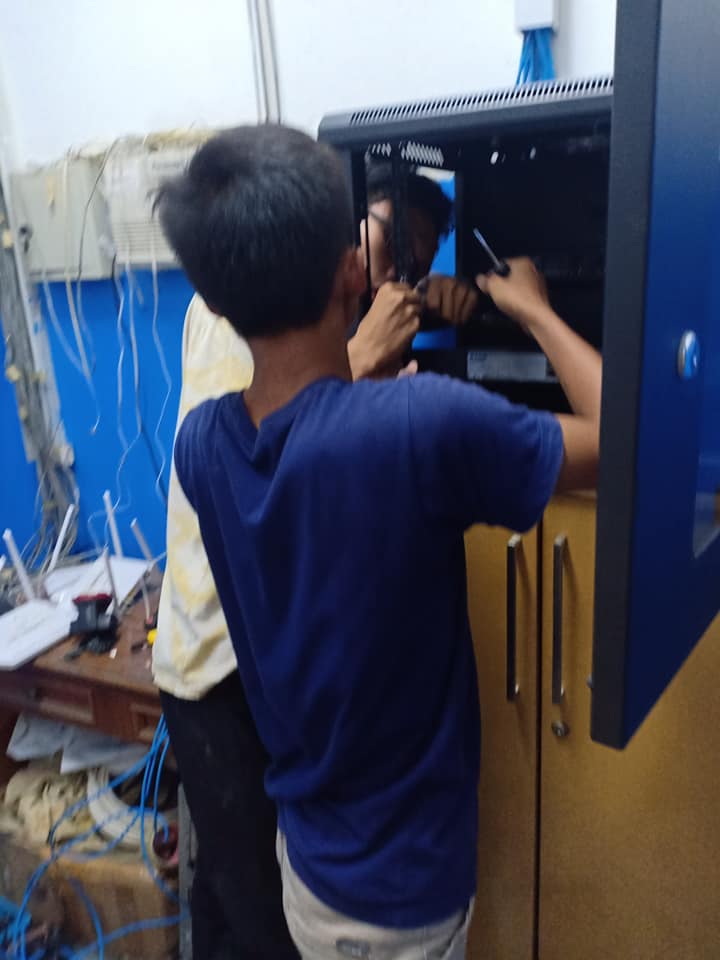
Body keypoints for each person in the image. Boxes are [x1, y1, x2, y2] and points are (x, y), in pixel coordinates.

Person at [155, 124, 601, 960]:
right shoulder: (414, 428)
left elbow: (305, 425)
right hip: (400, 901)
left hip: (310, 866)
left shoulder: (202, 445)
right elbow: (625, 437)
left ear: (212, 302)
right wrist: (533, 310)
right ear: (355, 270)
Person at [153, 160, 478, 958]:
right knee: (260, 911)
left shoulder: (333, 312)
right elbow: (268, 449)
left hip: (277, 658)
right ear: (339, 234)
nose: (383, 271)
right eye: (384, 242)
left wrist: (432, 308)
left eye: (409, 261)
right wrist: (365, 352)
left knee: (230, 887)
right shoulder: (236, 310)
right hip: (217, 664)